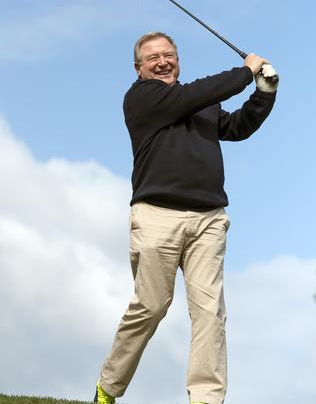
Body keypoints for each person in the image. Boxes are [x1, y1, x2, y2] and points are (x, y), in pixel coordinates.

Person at [94, 32, 278, 404]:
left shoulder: (201, 105)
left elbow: (236, 127)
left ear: (178, 59)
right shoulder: (142, 98)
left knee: (210, 313)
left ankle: (206, 398)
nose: (162, 61)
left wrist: (263, 93)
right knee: (151, 306)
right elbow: (194, 95)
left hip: (209, 219)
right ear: (139, 68)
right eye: (152, 58)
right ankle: (108, 387)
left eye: (169, 55)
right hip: (156, 216)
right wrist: (244, 71)